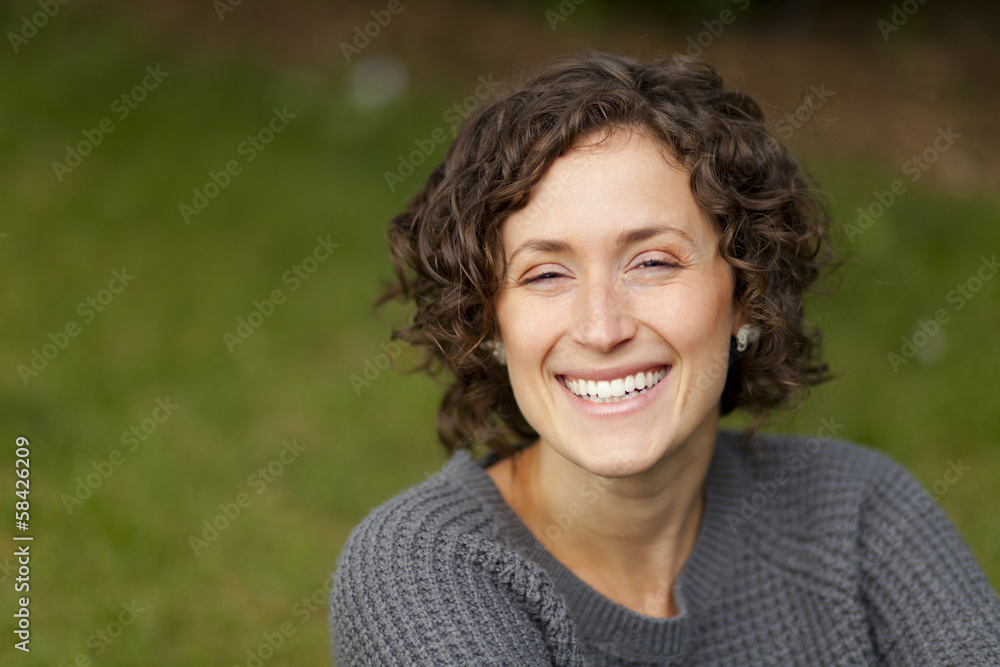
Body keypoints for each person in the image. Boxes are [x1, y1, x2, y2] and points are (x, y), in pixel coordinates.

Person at [330, 51, 1000, 665]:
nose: (602, 326)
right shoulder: (419, 569)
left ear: (746, 292)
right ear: (489, 321)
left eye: (652, 262)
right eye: (545, 274)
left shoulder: (857, 511)